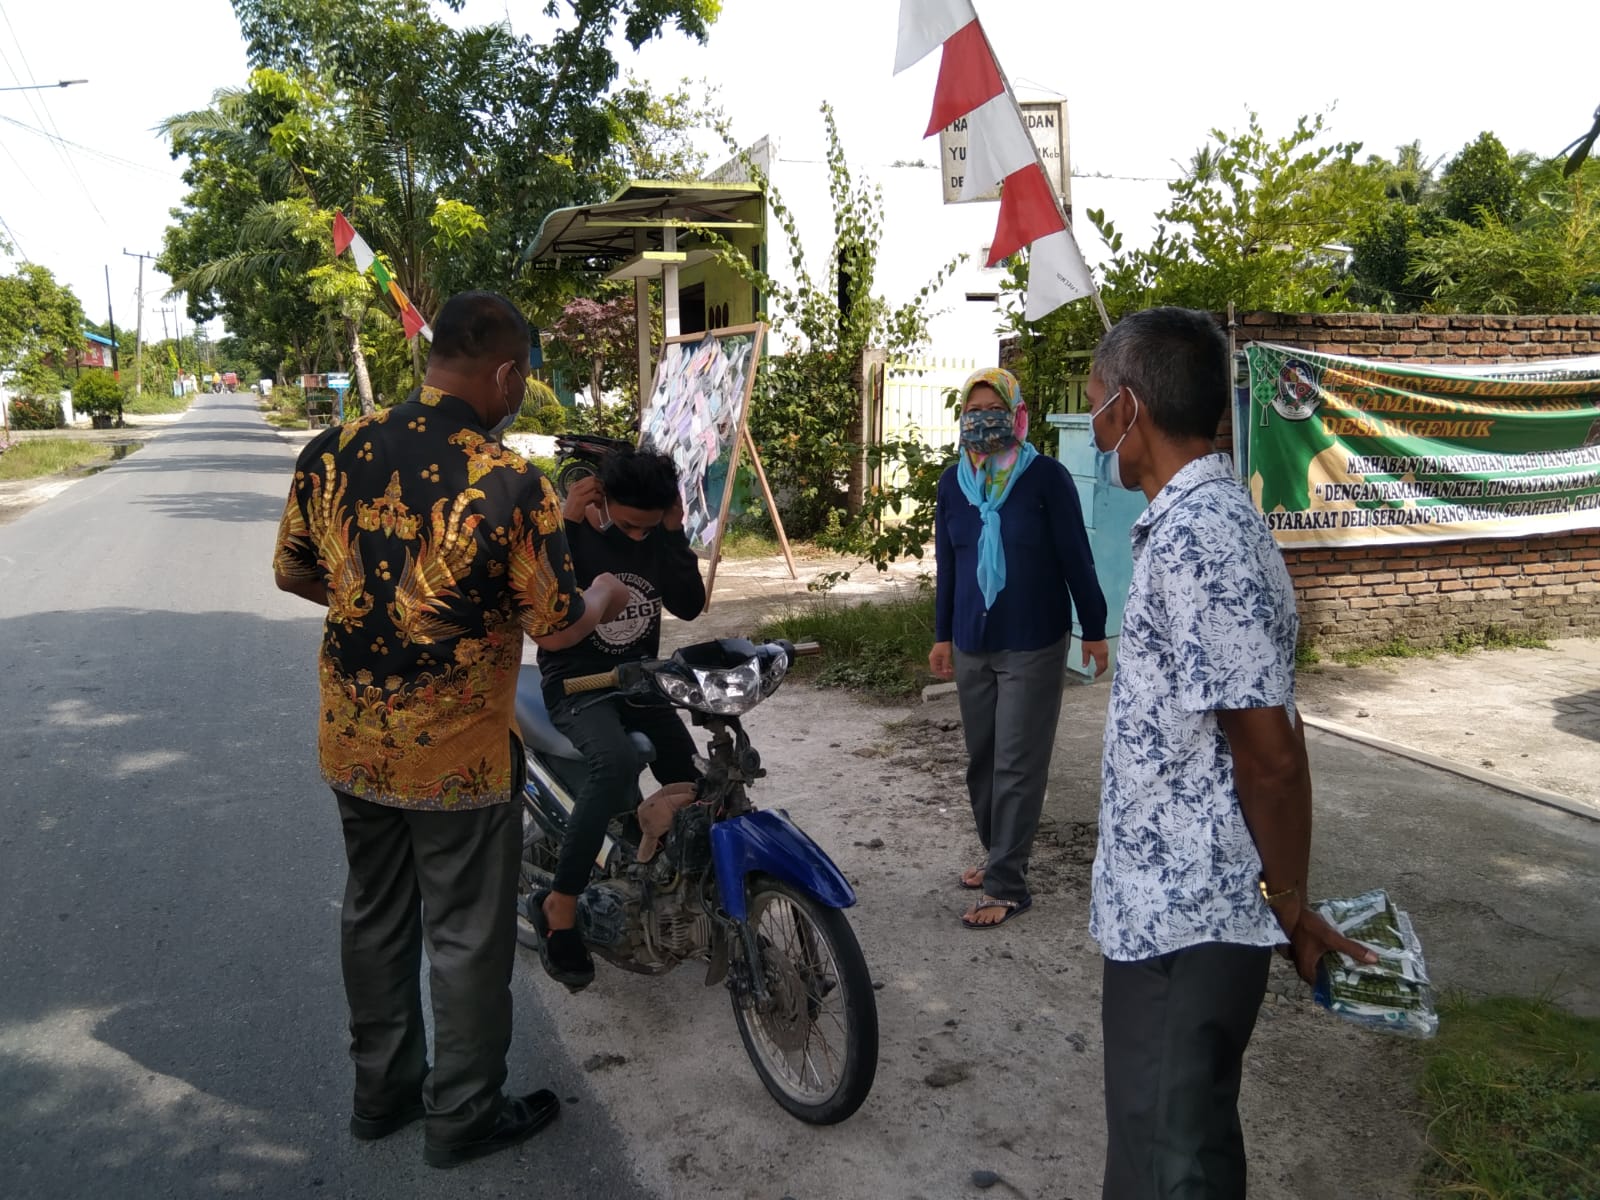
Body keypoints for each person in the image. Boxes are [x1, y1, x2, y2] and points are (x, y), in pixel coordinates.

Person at [272, 291, 631, 1169]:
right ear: (503, 373)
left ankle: (382, 1094)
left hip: (356, 742)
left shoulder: (331, 450)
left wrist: (377, 608)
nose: (520, 392)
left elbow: (294, 572)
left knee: (374, 915)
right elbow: (555, 627)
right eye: (523, 377)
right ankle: (462, 1115)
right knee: (466, 936)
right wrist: (603, 596)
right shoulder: (511, 482)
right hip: (457, 758)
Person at [1085, 307, 1378, 1198]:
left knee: (1165, 1166)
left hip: (1186, 919)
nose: (1094, 423)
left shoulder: (1200, 537)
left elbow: (1272, 754)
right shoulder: (1200, 521)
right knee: (1185, 1149)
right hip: (1170, 909)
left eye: (1096, 402)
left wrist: (1288, 903)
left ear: (1129, 410)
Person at [929, 367, 1110, 929]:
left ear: (1017, 415)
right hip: (971, 641)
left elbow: (1076, 556)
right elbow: (949, 566)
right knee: (982, 762)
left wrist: (1095, 629)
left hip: (1034, 640)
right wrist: (941, 636)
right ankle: (998, 854)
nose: (983, 421)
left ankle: (1008, 884)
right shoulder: (953, 485)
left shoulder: (1045, 478)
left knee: (1016, 764)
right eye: (973, 411)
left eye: (995, 410)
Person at [532, 445, 707, 989]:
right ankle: (560, 905)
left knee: (695, 781)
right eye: (627, 525)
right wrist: (563, 527)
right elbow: (542, 606)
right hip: (576, 685)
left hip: (638, 683)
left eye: (647, 527)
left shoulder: (657, 534)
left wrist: (672, 534)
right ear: (600, 498)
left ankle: (690, 894)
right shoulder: (573, 534)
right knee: (615, 762)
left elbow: (689, 605)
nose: (636, 536)